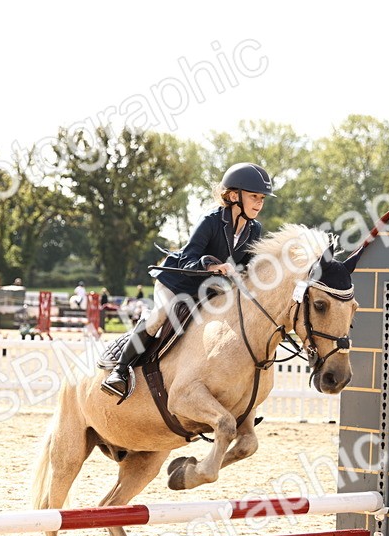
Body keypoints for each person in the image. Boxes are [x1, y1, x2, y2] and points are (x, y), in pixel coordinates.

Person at [102, 162, 273, 398]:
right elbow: (188, 260)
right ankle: (119, 371)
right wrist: (213, 266)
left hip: (209, 289)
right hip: (177, 281)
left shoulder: (254, 229)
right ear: (234, 196)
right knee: (162, 313)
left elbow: (247, 264)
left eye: (262, 198)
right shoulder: (211, 220)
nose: (259, 203)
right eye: (254, 196)